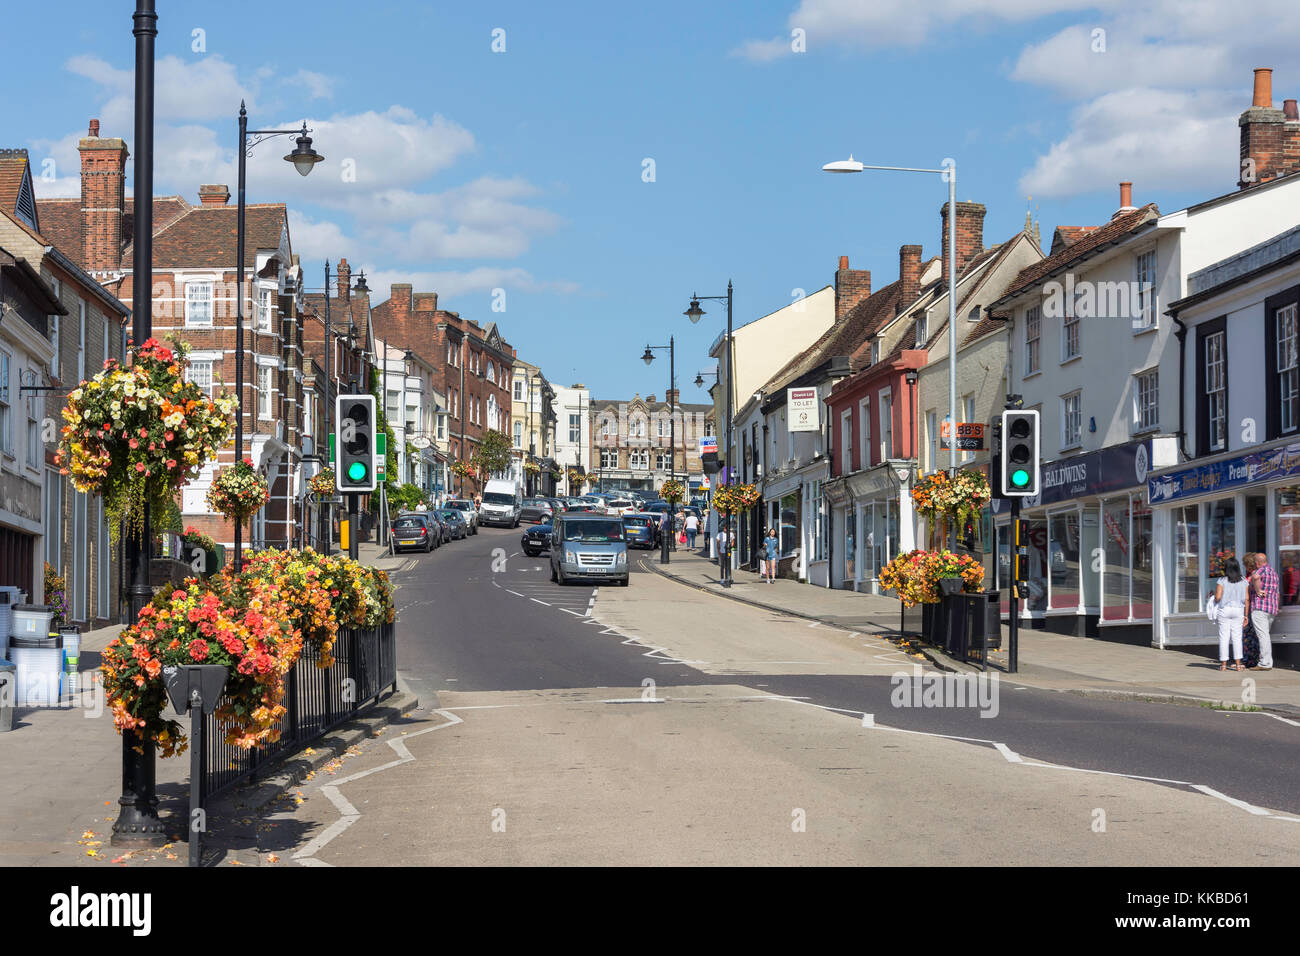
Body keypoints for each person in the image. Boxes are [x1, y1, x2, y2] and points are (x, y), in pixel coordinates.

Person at [1214, 557, 1248, 672]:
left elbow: (1218, 597)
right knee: (1237, 638)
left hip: (1225, 610)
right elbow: (1247, 599)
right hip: (1238, 610)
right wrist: (1246, 615)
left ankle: (1223, 665)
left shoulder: (1222, 581)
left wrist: (1214, 597)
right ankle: (1238, 665)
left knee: (1224, 637)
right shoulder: (1244, 581)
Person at [1249, 552, 1278, 671]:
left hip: (1260, 607)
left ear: (1257, 563)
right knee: (1266, 635)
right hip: (1272, 607)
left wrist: (1257, 590)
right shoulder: (1274, 572)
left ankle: (1265, 663)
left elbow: (1255, 577)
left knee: (1263, 636)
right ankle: (1266, 661)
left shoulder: (1261, 570)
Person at [1242, 553, 1260, 669]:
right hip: (1256, 608)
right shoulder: (1257, 574)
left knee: (1249, 636)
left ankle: (1250, 660)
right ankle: (1254, 659)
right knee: (1255, 636)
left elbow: (1247, 597)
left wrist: (1245, 614)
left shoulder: (1251, 577)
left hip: (1250, 609)